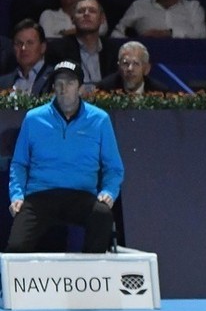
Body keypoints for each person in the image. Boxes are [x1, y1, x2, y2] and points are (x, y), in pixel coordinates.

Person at [6, 59, 124, 253]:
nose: (63, 89)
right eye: (59, 83)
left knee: (102, 214)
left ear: (79, 87)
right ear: (53, 87)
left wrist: (109, 192)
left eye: (69, 83)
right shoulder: (34, 118)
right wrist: (17, 196)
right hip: (40, 195)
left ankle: (90, 276)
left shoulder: (99, 119)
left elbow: (114, 167)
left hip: (82, 195)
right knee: (16, 247)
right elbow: (19, 164)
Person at [46, 0, 121, 91]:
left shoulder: (113, 50)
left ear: (102, 19)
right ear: (72, 19)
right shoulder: (58, 49)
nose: (86, 14)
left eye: (92, 11)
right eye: (81, 11)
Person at [0, 19, 53, 96]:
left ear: (43, 47)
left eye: (30, 43)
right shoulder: (2, 82)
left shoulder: (54, 78)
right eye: (19, 43)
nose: (23, 48)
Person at [98, 41, 168, 94]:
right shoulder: (105, 90)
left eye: (136, 64)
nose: (130, 69)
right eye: (125, 63)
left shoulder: (160, 92)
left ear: (146, 69)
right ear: (119, 67)